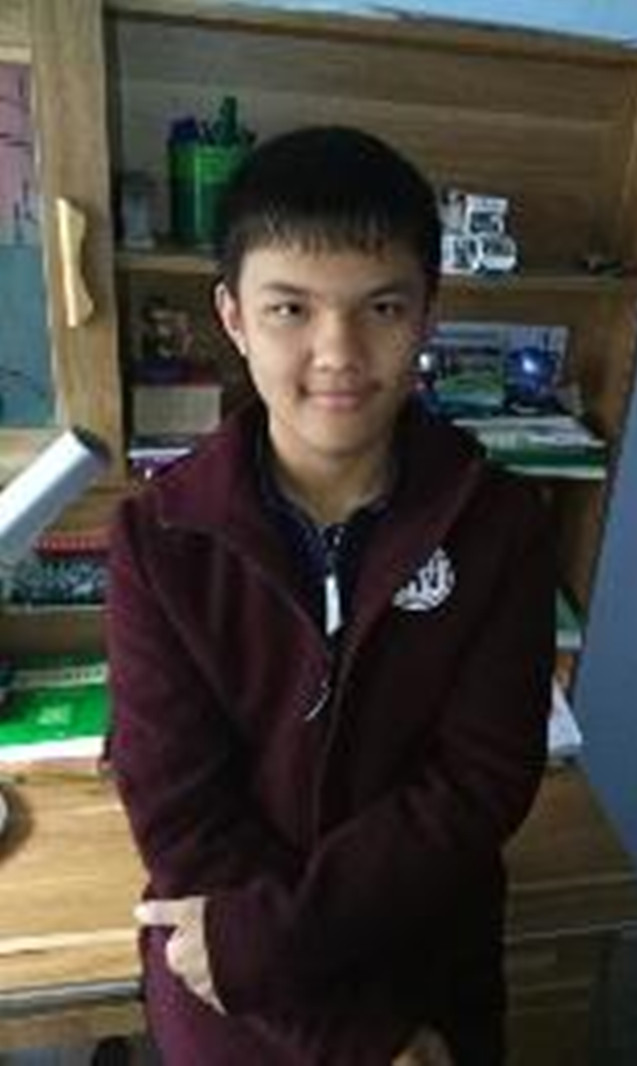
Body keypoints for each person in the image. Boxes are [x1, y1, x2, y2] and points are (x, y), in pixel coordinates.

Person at [107, 125, 555, 1065]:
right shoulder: (159, 539)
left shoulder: (502, 523)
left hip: (427, 959)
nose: (337, 351)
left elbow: (476, 785)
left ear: (428, 313)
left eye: (381, 306)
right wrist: (361, 1043)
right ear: (233, 316)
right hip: (228, 979)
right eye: (290, 309)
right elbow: (184, 817)